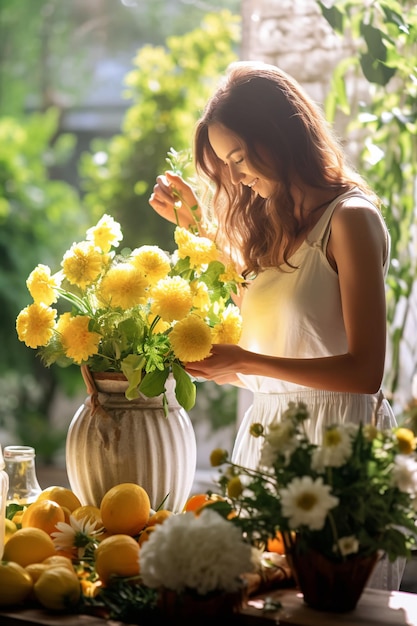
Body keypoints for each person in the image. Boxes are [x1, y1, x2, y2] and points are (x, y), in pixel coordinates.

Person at [149, 61, 403, 589]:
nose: (236, 175)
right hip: (267, 439)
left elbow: (364, 372)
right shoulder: (269, 231)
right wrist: (226, 368)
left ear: (280, 135)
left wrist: (243, 361)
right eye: (226, 163)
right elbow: (283, 353)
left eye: (239, 157)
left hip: (336, 445)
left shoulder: (351, 219)